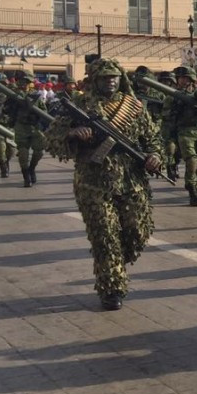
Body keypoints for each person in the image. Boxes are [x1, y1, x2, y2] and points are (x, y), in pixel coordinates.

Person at [46, 58, 162, 311]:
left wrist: (155, 156)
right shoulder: (80, 105)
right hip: (93, 182)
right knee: (105, 237)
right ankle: (112, 288)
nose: (110, 81)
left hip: (132, 182)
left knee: (137, 233)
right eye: (105, 77)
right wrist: (73, 135)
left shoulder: (134, 107)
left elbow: (152, 138)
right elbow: (52, 139)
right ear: (95, 80)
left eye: (114, 77)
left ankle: (116, 262)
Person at [164, 66, 197, 206]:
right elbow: (167, 118)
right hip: (184, 131)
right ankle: (192, 190)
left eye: (185, 78)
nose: (183, 81)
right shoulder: (172, 96)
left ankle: (192, 182)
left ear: (192, 79)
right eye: (180, 78)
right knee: (192, 161)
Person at [5, 72, 48, 188]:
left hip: (34, 127)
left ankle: (32, 168)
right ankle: (26, 177)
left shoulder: (35, 96)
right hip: (21, 126)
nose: (24, 84)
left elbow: (44, 110)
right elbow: (6, 110)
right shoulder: (13, 95)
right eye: (22, 82)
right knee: (23, 154)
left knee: (40, 151)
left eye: (27, 82)